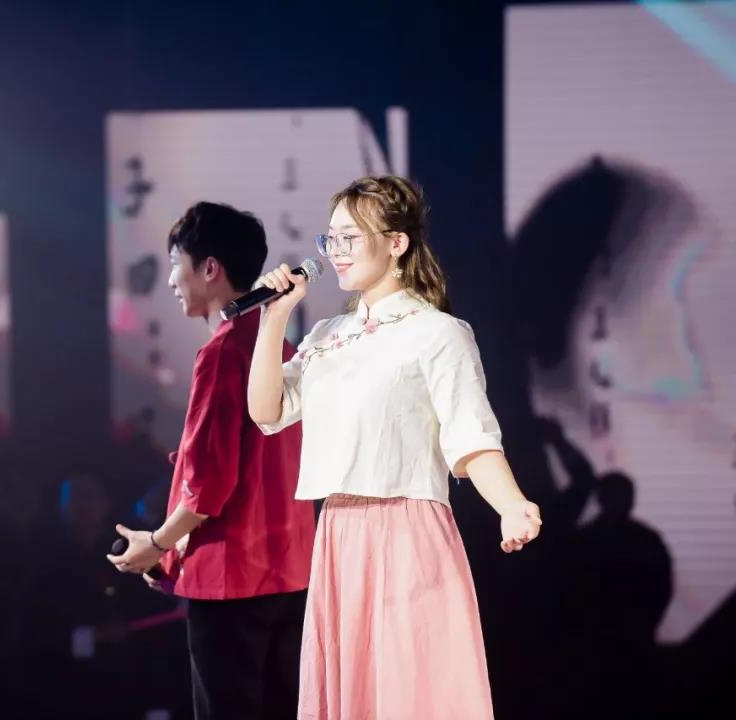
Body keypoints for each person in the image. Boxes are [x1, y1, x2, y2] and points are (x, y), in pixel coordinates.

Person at [248, 176, 542, 719]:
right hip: (338, 530)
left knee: (409, 689)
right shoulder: (327, 336)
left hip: (406, 528)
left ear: (396, 242)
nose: (336, 252)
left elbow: (471, 436)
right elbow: (266, 411)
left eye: (350, 238)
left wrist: (511, 505)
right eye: (330, 239)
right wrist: (275, 318)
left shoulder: (439, 332)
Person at [107, 201, 316, 719]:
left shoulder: (223, 352)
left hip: (230, 582)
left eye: (176, 263)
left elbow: (208, 487)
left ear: (210, 268)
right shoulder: (282, 347)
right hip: (291, 574)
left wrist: (157, 543)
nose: (171, 280)